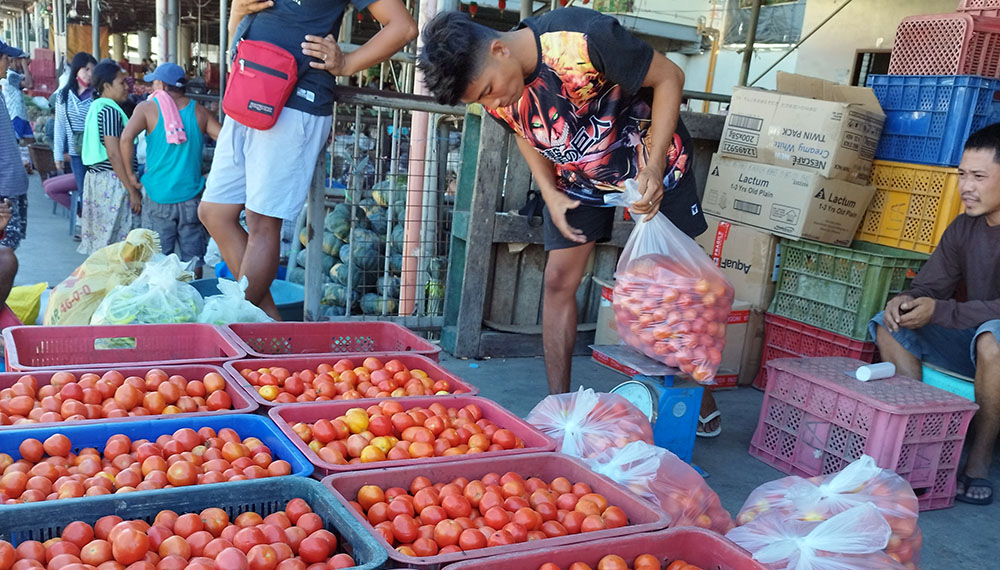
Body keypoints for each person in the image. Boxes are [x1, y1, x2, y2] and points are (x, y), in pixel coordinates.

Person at [418, 8, 723, 433]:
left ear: (499, 49)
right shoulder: (496, 91)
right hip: (579, 177)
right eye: (481, 100)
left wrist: (652, 169)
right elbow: (522, 130)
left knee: (676, 291)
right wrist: (549, 192)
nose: (492, 103)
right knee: (558, 281)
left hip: (652, 159)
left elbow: (669, 76)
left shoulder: (585, 39)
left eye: (489, 90)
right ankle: (560, 408)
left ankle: (697, 401)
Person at [198, 0, 417, 319]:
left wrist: (348, 63)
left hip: (296, 101)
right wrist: (237, 13)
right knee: (214, 211)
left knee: (262, 222)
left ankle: (238, 326)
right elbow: (237, 42)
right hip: (248, 90)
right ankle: (265, 328)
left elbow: (403, 26)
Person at [871, 124, 1000, 506]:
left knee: (993, 338)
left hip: (992, 346)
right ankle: (919, 443)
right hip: (974, 342)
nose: (966, 186)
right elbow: (931, 286)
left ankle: (978, 459)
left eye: (979, 176)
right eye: (962, 174)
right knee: (889, 325)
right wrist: (908, 300)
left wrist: (940, 310)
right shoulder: (964, 227)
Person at [119, 62, 221, 277]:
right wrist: (212, 176)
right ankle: (194, 300)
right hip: (191, 198)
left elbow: (126, 138)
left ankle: (163, 304)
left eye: (155, 83)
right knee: (193, 261)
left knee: (158, 260)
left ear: (162, 85)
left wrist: (131, 176)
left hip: (159, 197)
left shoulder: (147, 108)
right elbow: (225, 141)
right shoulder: (200, 112)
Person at [78, 60, 139, 255]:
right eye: (121, 83)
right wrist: (131, 190)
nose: (126, 87)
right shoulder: (110, 111)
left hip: (99, 180)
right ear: (106, 86)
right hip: (112, 181)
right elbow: (113, 153)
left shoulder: (97, 107)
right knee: (114, 244)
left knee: (102, 243)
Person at [0, 40, 28, 306]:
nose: (8, 63)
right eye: (5, 58)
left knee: (8, 252)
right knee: (6, 255)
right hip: (4, 188)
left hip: (11, 184)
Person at [53, 52, 97, 195]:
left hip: (96, 153)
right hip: (76, 153)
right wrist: (58, 155)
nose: (89, 74)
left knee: (97, 193)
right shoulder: (64, 96)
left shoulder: (98, 95)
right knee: (83, 192)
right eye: (86, 69)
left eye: (92, 70)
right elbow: (59, 126)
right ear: (77, 69)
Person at [2, 52, 34, 143]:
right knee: (14, 141)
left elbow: (31, 81)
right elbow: (30, 84)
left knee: (30, 142)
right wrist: (24, 65)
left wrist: (25, 67)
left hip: (22, 115)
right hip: (15, 115)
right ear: (14, 60)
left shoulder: (15, 74)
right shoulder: (11, 76)